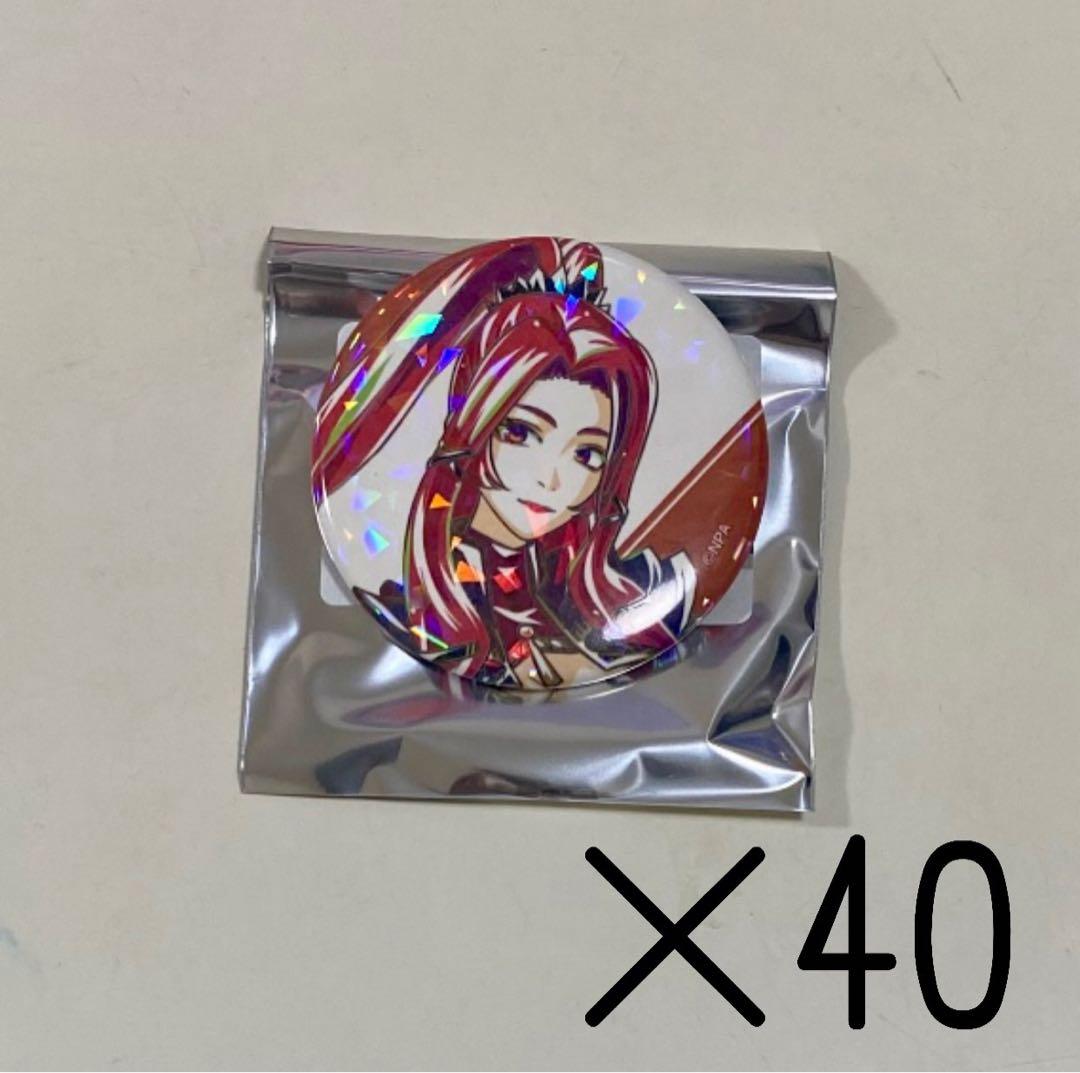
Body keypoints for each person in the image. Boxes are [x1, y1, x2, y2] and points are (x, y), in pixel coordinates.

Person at [313, 238, 694, 689]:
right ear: (473, 427)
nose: (550, 479)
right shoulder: (407, 608)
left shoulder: (637, 593)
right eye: (521, 433)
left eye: (586, 454)